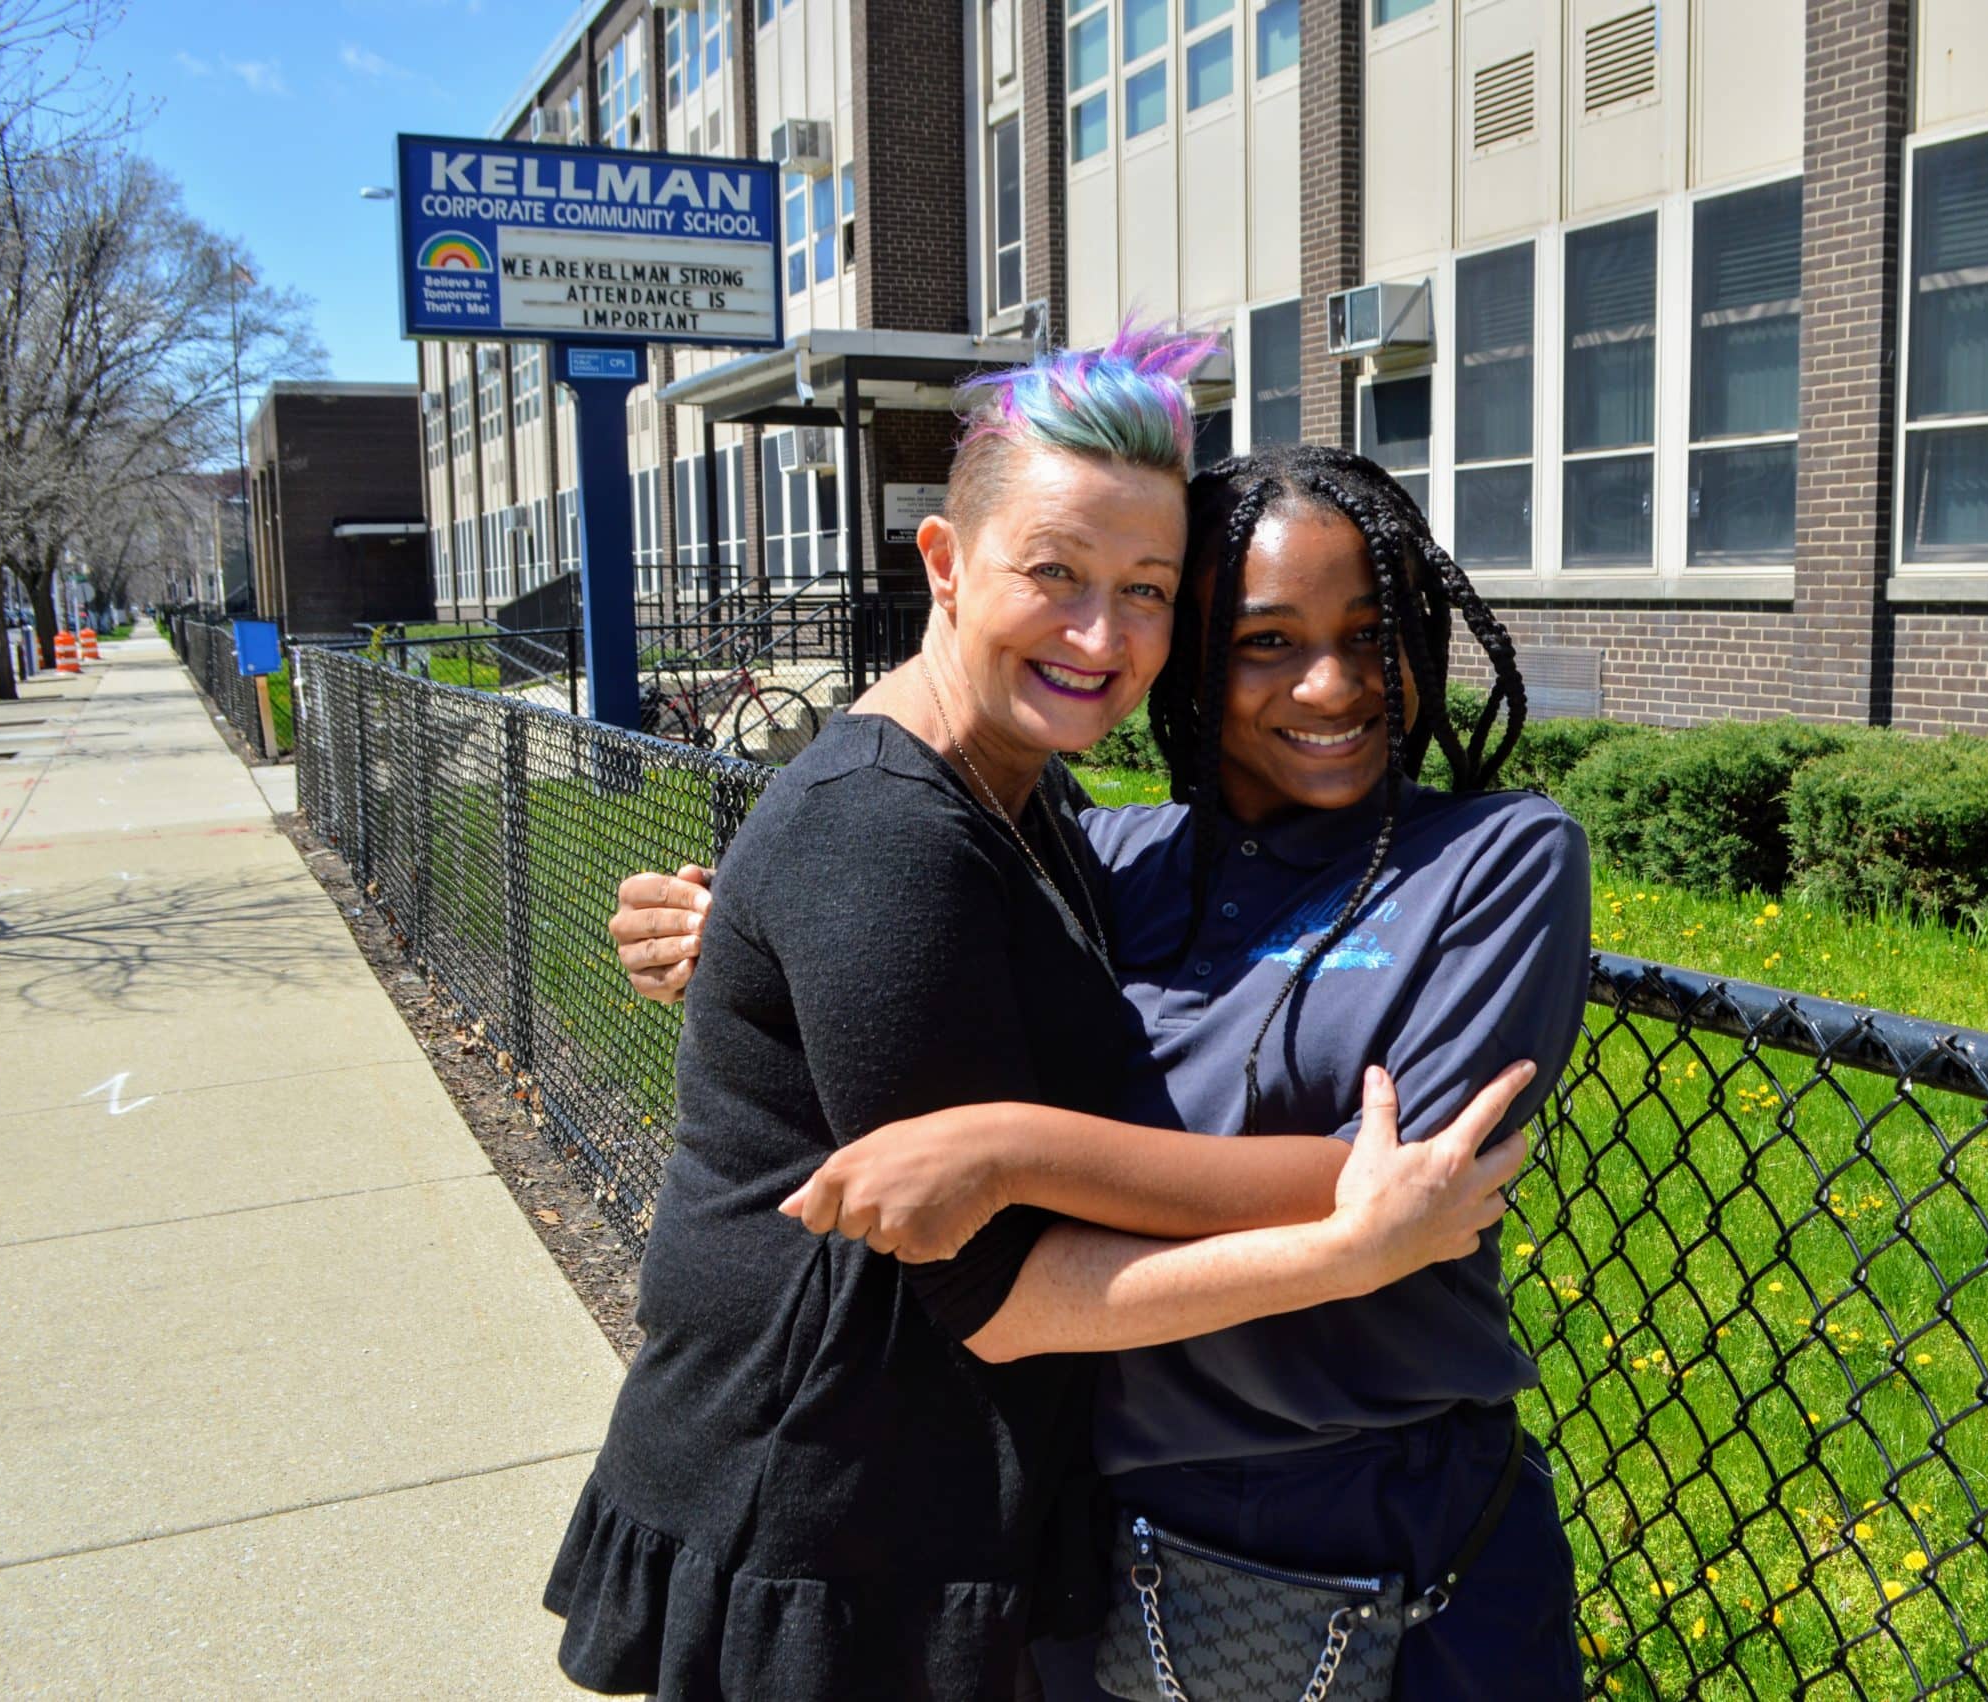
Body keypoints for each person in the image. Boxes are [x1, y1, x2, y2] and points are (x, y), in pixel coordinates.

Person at [547, 335, 1536, 1702]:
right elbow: (1004, 1300)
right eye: (1054, 574)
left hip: (923, 1487)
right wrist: (1353, 1250)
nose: (1100, 636)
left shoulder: (1031, 812)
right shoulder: (891, 839)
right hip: (826, 1515)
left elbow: (953, 961)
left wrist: (755, 935)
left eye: (1142, 591)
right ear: (946, 564)